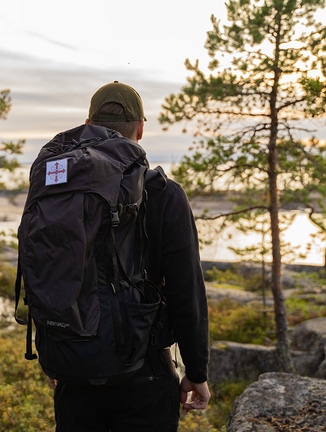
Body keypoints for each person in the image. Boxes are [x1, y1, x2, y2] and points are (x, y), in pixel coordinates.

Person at [50, 81, 210, 432]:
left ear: (88, 124)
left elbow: (47, 273)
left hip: (75, 372)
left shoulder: (59, 192)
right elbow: (187, 290)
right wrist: (196, 372)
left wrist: (58, 358)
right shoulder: (163, 193)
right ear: (140, 129)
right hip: (144, 374)